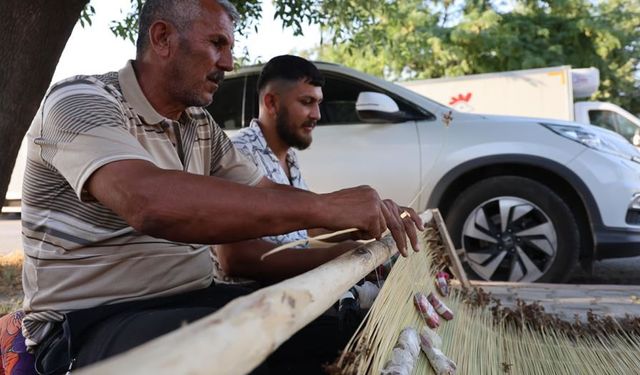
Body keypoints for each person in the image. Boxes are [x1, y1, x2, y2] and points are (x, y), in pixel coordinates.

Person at [20, 0, 423, 373]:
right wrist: (323, 209)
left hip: (195, 296)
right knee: (248, 354)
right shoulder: (80, 100)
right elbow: (146, 202)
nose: (229, 63)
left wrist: (355, 215)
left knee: (344, 333)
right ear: (162, 39)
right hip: (90, 322)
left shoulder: (199, 126)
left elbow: (265, 193)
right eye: (217, 44)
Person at [213, 55, 362, 287]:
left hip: (294, 295)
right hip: (254, 307)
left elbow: (304, 224)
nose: (317, 115)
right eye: (306, 102)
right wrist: (335, 257)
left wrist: (356, 226)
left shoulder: (288, 155)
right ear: (271, 103)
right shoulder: (239, 154)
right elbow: (235, 258)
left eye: (318, 103)